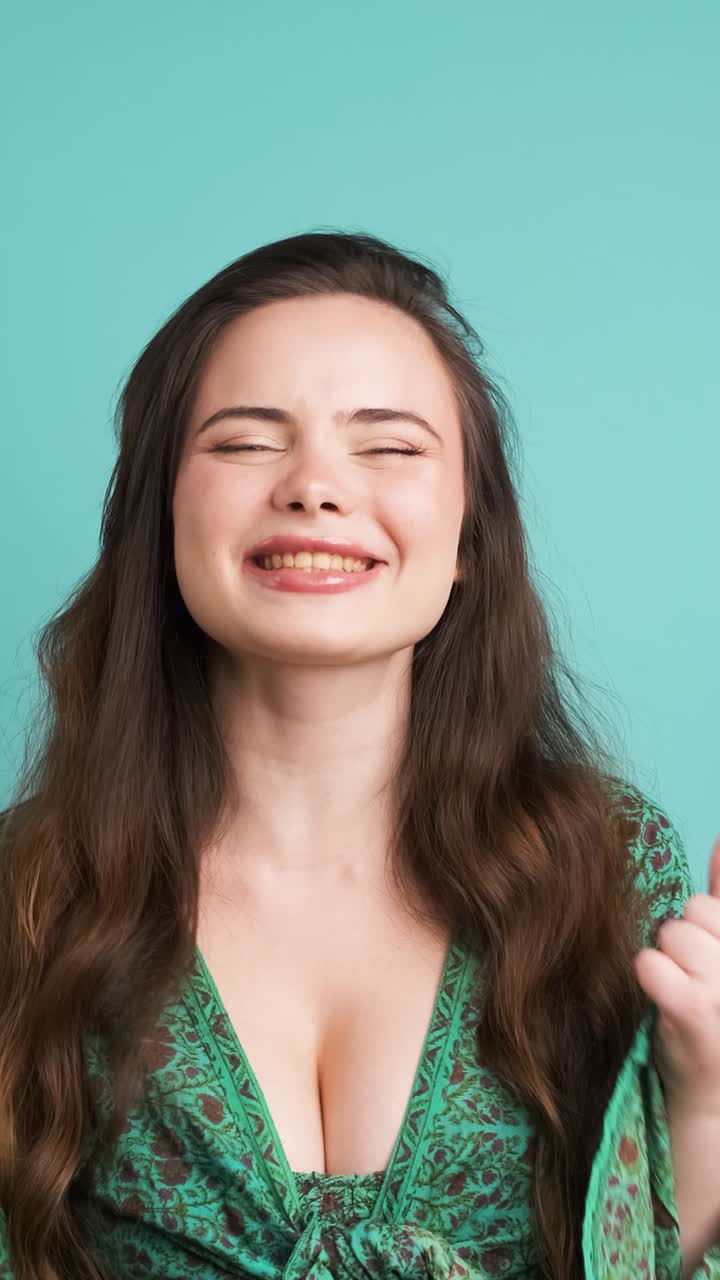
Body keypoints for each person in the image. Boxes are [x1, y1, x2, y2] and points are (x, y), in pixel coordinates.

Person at [0, 230, 718, 1279]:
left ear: (471, 533)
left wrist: (706, 1095)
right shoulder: (27, 895)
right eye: (247, 441)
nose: (316, 487)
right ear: (159, 515)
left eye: (388, 444)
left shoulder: (608, 867)